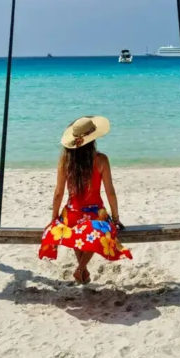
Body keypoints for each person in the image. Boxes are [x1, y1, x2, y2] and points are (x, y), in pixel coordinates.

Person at [39, 116, 132, 282]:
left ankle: (82, 270)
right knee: (96, 229)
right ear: (93, 138)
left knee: (75, 230)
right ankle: (81, 269)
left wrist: (54, 218)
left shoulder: (65, 160)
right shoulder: (101, 160)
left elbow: (58, 193)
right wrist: (116, 217)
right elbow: (110, 192)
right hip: (96, 213)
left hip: (72, 213)